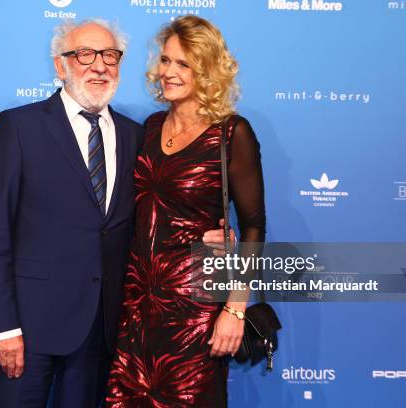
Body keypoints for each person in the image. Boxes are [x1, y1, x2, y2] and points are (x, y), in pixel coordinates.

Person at [0, 19, 230, 408]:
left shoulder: (136, 135)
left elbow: (156, 214)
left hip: (102, 333)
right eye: (85, 54)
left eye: (110, 56)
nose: (99, 66)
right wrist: (3, 328)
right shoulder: (18, 127)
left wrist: (210, 239)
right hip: (27, 330)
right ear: (61, 65)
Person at [106, 16, 266, 407]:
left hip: (196, 311)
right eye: (165, 61)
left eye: (184, 64)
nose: (169, 73)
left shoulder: (231, 132)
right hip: (136, 308)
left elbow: (253, 226)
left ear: (207, 69)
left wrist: (235, 308)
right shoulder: (150, 126)